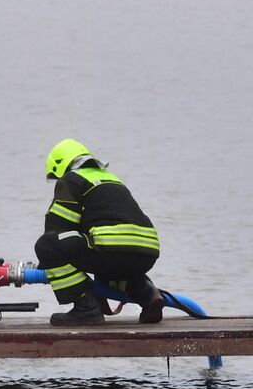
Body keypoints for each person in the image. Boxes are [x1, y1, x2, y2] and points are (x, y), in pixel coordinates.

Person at [35, 139, 163, 326]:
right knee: (110, 270)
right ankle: (149, 295)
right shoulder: (111, 178)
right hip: (147, 250)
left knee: (47, 245)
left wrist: (48, 264)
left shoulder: (71, 179)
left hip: (110, 247)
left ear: (60, 165)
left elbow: (57, 227)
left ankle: (86, 308)